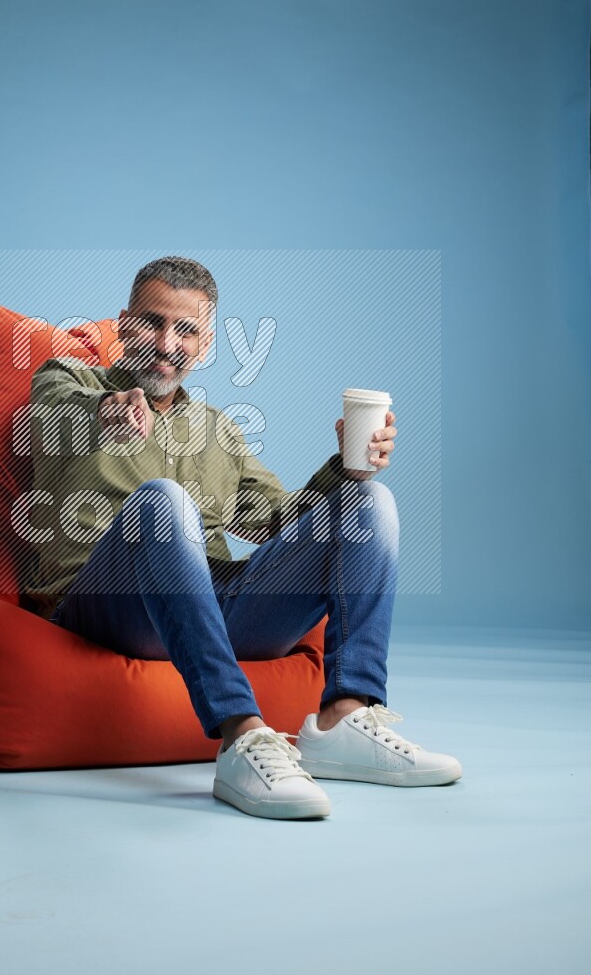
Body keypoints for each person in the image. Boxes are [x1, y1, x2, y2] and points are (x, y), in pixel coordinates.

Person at [24, 255, 462, 820]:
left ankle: (345, 716)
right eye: (153, 322)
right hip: (102, 605)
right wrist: (109, 407)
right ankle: (242, 736)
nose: (166, 343)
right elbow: (59, 412)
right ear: (124, 324)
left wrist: (347, 468)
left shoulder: (217, 433)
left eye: (186, 330)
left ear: (204, 346)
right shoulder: (68, 380)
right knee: (162, 501)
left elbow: (285, 521)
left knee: (368, 503)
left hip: (211, 607)